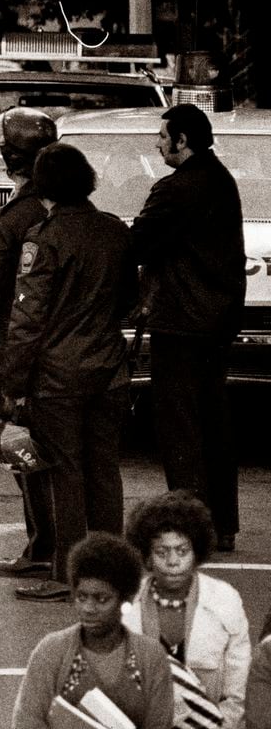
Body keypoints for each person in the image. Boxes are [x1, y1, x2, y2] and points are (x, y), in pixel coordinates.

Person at [3, 143, 138, 602]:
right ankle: (112, 571)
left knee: (65, 472)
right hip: (108, 367)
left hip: (58, 375)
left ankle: (66, 573)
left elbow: (27, 319)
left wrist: (12, 385)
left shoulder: (45, 238)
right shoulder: (115, 231)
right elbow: (127, 300)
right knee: (104, 470)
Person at [131, 104, 246, 552]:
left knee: (179, 428)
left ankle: (192, 524)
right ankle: (222, 524)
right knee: (214, 422)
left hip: (180, 322)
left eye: (163, 136)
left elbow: (139, 243)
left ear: (183, 140)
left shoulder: (177, 188)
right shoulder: (223, 181)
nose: (158, 143)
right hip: (217, 321)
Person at [0, 108, 60, 579]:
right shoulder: (58, 207)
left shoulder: (11, 216)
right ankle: (51, 543)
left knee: (21, 442)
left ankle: (41, 547)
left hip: (14, 342)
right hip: (55, 342)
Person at [12, 532, 175, 729]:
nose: (88, 608)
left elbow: (160, 724)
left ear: (125, 600)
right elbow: (27, 721)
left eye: (101, 599)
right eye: (81, 597)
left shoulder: (151, 657)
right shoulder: (51, 651)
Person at [124, 491, 252, 727]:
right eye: (161, 552)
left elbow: (237, 696)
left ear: (196, 553)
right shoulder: (127, 606)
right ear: (147, 556)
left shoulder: (225, 600)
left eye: (182, 551)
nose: (173, 561)